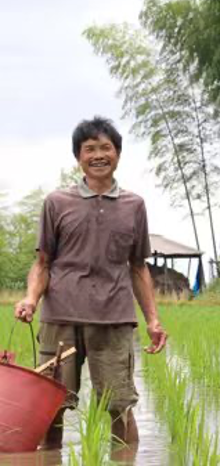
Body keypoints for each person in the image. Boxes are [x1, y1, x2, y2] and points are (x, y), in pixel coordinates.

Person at [14, 116, 168, 449]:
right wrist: (30, 299)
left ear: (118, 154)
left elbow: (139, 267)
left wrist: (153, 319)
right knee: (49, 407)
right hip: (61, 320)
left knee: (120, 407)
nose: (98, 155)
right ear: (78, 157)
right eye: (90, 149)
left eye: (105, 148)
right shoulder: (57, 202)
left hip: (114, 320)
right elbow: (42, 263)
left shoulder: (134, 205)